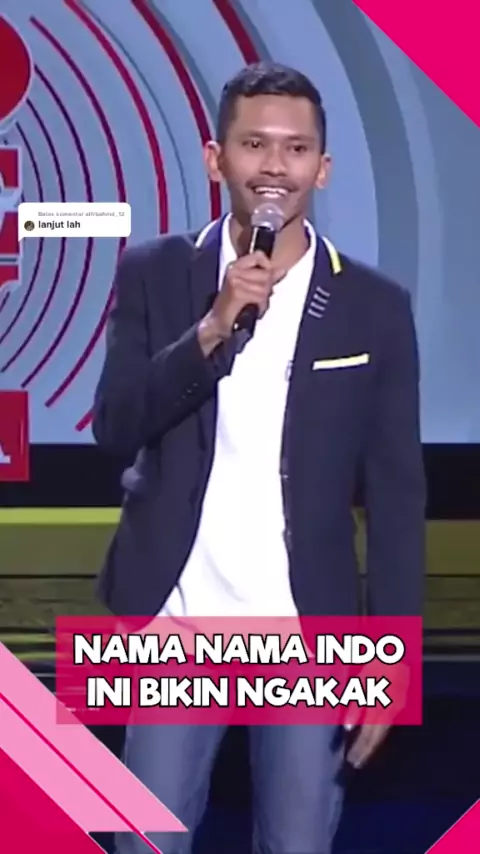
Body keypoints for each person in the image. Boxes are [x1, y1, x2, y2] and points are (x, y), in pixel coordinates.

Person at [93, 61, 426, 854]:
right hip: (174, 622)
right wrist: (211, 329)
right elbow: (116, 425)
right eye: (254, 145)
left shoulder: (374, 306)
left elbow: (396, 494)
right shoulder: (155, 273)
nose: (275, 166)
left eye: (296, 149)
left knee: (297, 844)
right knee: (145, 841)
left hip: (309, 630)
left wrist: (395, 654)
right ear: (216, 159)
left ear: (323, 168)